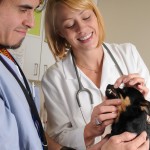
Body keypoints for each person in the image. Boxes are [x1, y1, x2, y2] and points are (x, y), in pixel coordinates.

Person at [42, 0, 150, 149]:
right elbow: (58, 137)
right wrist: (89, 131)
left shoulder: (129, 54)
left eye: (86, 17)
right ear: (60, 31)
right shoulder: (54, 78)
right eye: (69, 24)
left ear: (96, 15)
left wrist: (143, 98)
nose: (82, 28)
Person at [0, 0, 64, 149]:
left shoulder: (7, 57)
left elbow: (31, 132)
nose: (31, 23)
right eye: (23, 10)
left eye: (34, 11)